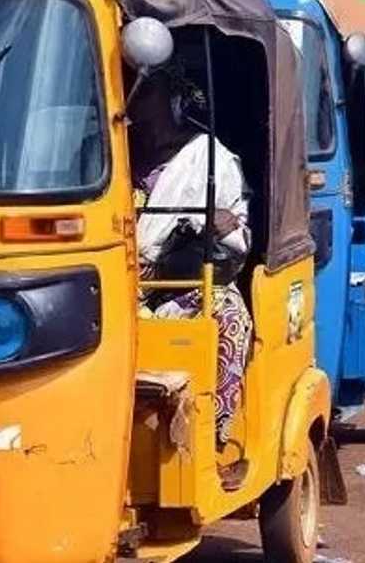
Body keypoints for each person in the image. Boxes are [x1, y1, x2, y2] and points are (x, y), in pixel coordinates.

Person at [128, 62, 253, 469]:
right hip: (115, 278)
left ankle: (211, 439)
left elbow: (238, 237)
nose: (137, 103)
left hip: (180, 282)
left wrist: (219, 224)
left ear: (173, 98)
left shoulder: (208, 157)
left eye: (147, 92)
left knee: (230, 317)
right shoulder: (110, 150)